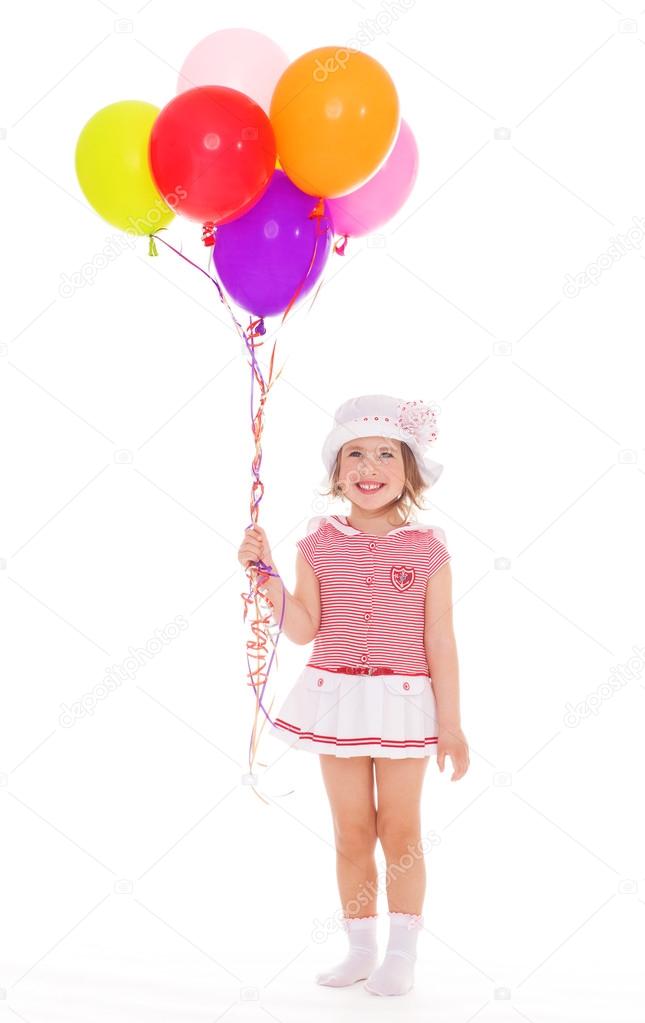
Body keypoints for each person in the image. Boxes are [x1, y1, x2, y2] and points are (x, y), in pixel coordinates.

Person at [237, 394, 469, 997]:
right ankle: (360, 948)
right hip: (335, 698)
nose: (369, 467)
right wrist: (265, 576)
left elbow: (440, 638)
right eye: (355, 455)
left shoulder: (427, 548)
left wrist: (452, 724)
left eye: (385, 454)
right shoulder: (317, 542)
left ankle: (403, 953)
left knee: (401, 827)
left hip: (403, 701)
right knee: (350, 831)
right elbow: (304, 627)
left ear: (408, 470)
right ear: (337, 472)